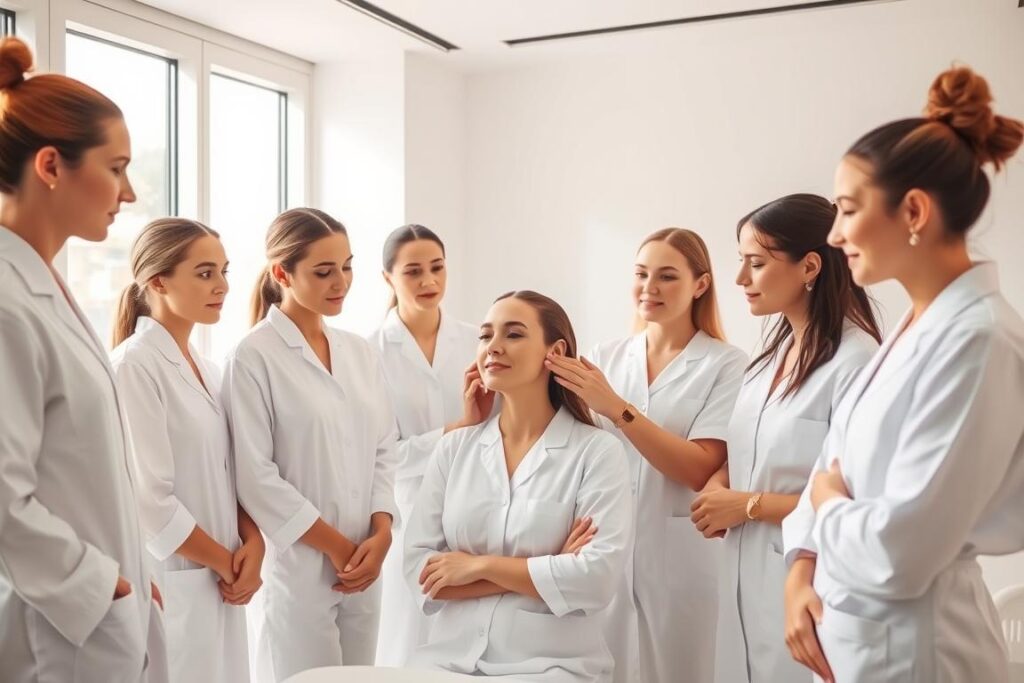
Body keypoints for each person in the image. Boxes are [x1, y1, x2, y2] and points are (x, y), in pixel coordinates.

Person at [783, 66, 1024, 683]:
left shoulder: (978, 342)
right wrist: (802, 567)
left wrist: (827, 507)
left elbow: (902, 552)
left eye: (847, 210)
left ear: (913, 210)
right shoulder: (913, 330)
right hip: (859, 642)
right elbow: (832, 463)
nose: (835, 234)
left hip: (921, 652)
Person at [0, 35, 167, 682]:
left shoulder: (41, 283)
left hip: (103, 615)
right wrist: (97, 584)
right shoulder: (8, 301)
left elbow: (78, 470)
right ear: (50, 165)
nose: (128, 193)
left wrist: (132, 572)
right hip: (58, 632)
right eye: (116, 167)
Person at [692, 194, 879, 683]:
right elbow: (751, 448)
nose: (740, 278)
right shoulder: (765, 363)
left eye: (756, 263)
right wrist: (720, 484)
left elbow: (859, 498)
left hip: (811, 582)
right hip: (742, 576)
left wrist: (747, 506)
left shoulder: (857, 362)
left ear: (809, 267)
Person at [547, 228, 746, 683]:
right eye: (641, 274)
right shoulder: (605, 357)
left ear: (700, 284)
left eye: (667, 276)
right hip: (604, 554)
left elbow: (700, 467)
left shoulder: (727, 364)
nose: (649, 287)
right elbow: (570, 457)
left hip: (683, 563)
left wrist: (617, 408)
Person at [404, 290, 633, 682]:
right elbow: (419, 574)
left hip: (552, 667)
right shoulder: (454, 449)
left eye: (513, 334)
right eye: (485, 335)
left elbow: (595, 580)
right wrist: (548, 570)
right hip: (446, 662)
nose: (493, 346)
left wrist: (477, 566)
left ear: (555, 352)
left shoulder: (597, 452)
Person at [222, 207, 398, 682]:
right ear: (282, 273)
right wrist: (338, 547)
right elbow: (255, 476)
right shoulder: (252, 358)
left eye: (347, 266)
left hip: (365, 561)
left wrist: (382, 531)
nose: (341, 282)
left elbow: (384, 448)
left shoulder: (360, 352)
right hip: (299, 569)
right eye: (323, 272)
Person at [110, 218, 259, 682]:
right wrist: (226, 563)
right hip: (179, 576)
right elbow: (150, 502)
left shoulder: (210, 371)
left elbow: (232, 473)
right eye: (205, 273)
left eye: (224, 271)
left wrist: (253, 543)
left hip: (222, 579)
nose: (222, 286)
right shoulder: (134, 366)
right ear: (158, 281)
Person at [367, 224, 482, 665]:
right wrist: (457, 429)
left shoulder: (477, 341)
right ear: (388, 278)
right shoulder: (369, 352)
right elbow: (380, 455)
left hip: (476, 507)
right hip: (408, 513)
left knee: (467, 643)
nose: (429, 281)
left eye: (437, 268)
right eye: (413, 271)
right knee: (405, 643)